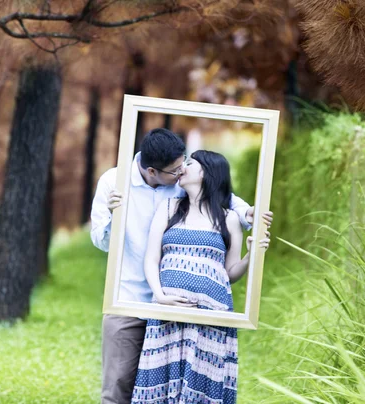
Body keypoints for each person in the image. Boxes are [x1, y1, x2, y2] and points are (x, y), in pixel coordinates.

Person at [90, 128, 273, 404]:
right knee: (117, 387)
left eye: (185, 164)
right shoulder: (113, 183)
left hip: (180, 311)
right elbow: (101, 241)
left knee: (170, 389)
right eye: (175, 170)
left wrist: (248, 214)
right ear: (152, 171)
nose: (181, 172)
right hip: (128, 297)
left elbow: (219, 193)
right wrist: (114, 218)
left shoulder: (179, 181)